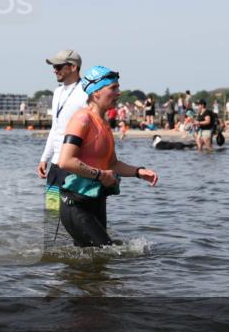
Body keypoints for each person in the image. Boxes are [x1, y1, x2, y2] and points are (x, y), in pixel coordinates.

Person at [57, 66, 158, 247]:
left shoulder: (103, 123)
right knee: (108, 253)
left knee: (96, 262)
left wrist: (138, 172)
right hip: (76, 203)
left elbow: (112, 163)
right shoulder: (82, 119)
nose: (119, 93)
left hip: (96, 201)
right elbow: (65, 161)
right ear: (96, 92)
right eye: (113, 88)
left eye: (118, 88)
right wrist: (100, 175)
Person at [37, 50, 87, 211]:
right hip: (55, 165)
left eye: (58, 66)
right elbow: (55, 127)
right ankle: (51, 237)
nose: (54, 70)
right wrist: (45, 157)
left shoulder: (86, 92)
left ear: (73, 67)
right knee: (52, 212)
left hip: (75, 164)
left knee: (72, 214)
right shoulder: (57, 92)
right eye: (54, 67)